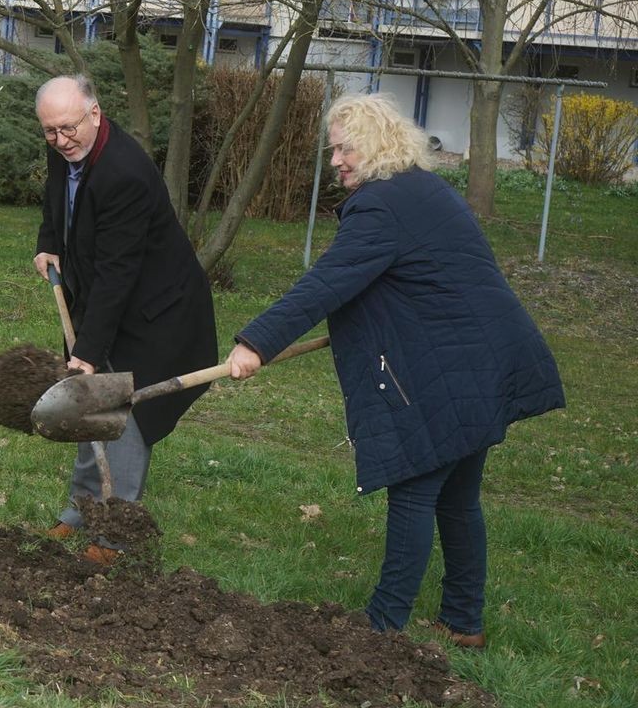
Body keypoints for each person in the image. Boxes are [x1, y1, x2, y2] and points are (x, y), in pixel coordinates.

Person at [226, 93, 564, 649]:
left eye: (344, 148)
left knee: (412, 488)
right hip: (479, 362)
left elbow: (327, 281)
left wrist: (255, 344)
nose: (334, 161)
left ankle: (382, 628)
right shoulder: (423, 192)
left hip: (453, 369)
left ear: (378, 144)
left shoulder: (382, 206)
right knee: (457, 498)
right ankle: (463, 622)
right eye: (333, 150)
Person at [33, 75, 217, 564]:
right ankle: (80, 512)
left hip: (159, 311)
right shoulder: (67, 147)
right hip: (107, 295)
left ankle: (114, 536)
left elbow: (119, 274)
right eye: (50, 131)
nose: (59, 140)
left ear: (95, 113)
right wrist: (48, 241)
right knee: (90, 404)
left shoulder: (124, 173)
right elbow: (58, 199)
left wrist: (88, 353)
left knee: (127, 414)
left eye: (68, 128)